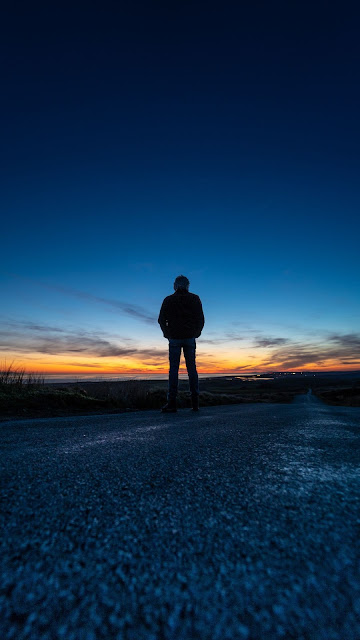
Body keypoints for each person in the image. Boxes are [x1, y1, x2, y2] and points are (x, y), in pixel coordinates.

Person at [158, 275, 205, 412]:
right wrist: (196, 332)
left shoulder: (169, 299)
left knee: (174, 370)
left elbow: (161, 319)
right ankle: (195, 403)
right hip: (189, 338)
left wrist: (167, 334)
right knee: (192, 370)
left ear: (175, 285)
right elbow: (201, 319)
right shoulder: (194, 298)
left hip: (175, 338)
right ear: (187, 285)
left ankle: (172, 403)